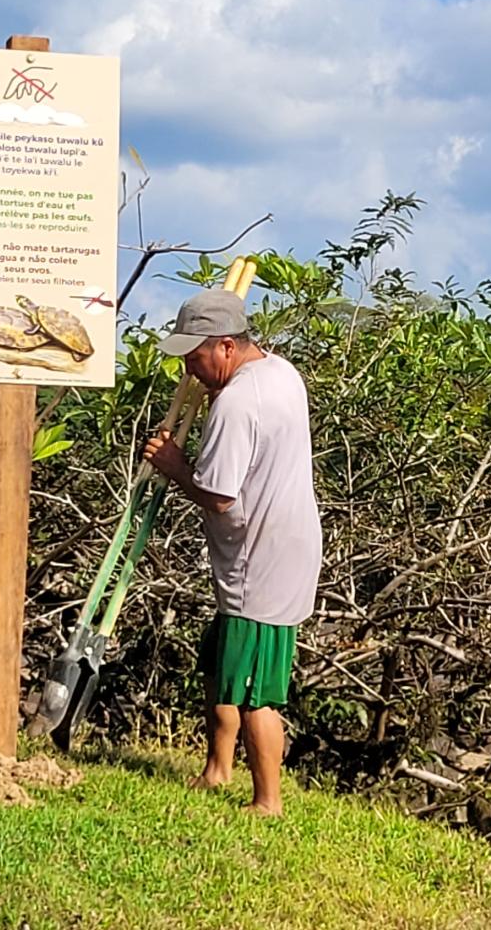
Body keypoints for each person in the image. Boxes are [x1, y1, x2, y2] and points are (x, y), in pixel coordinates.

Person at [142, 288, 321, 816]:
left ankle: (268, 801)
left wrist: (174, 467)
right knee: (221, 663)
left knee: (255, 690)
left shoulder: (238, 402)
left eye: (195, 357)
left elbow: (220, 497)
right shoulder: (281, 372)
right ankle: (217, 770)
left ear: (224, 346)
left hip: (260, 561)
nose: (190, 370)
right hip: (276, 543)